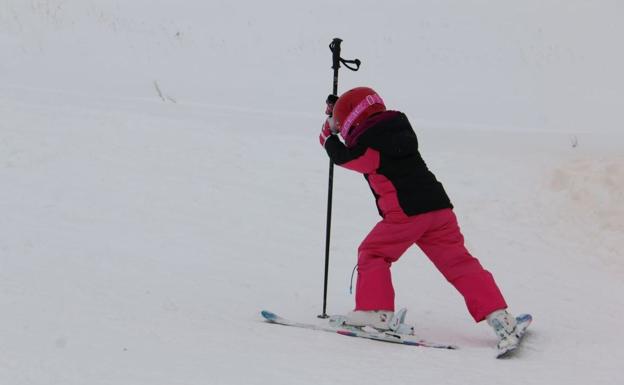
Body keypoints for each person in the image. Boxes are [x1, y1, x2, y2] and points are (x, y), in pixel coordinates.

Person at [319, 86, 519, 349]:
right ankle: (500, 316)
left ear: (352, 122)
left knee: (373, 253)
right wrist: (340, 114)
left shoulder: (369, 147)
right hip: (439, 209)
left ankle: (375, 311)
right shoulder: (398, 129)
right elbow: (357, 134)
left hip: (406, 214)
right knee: (459, 263)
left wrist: (328, 135)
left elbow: (346, 157)